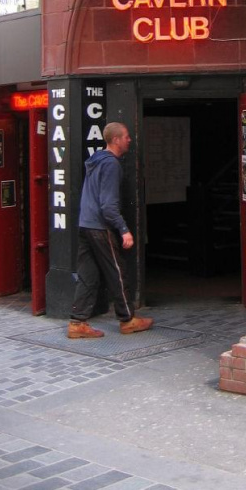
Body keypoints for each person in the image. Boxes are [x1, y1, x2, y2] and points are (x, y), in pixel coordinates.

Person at [67, 122, 153, 339]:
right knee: (117, 271)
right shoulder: (112, 165)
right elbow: (108, 205)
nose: (129, 140)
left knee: (88, 274)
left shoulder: (96, 160)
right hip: (99, 226)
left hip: (85, 224)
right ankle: (128, 319)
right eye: (126, 137)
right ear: (115, 140)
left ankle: (77, 323)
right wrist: (124, 229)